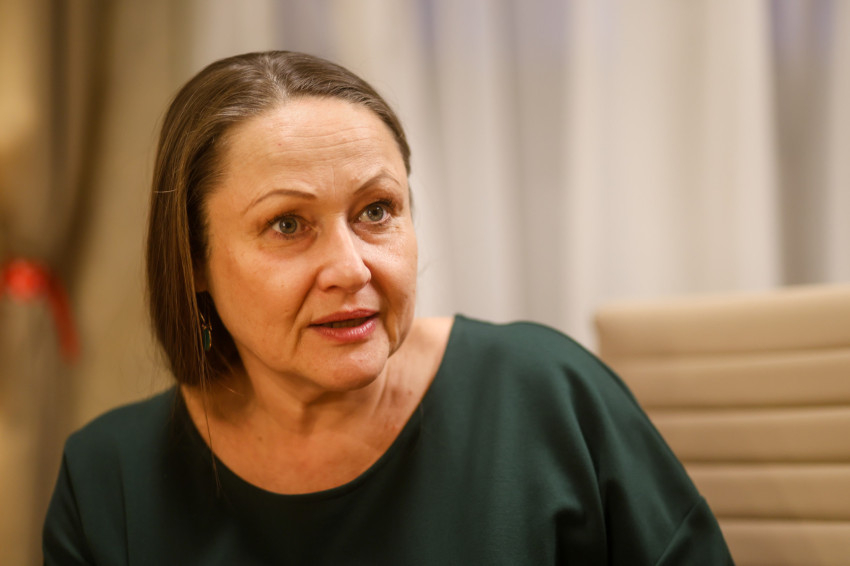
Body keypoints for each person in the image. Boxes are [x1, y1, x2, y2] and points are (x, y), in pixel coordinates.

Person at [43, 51, 734, 565]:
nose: (351, 268)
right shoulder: (109, 478)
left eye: (376, 211)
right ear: (192, 259)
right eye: (287, 224)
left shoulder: (549, 394)